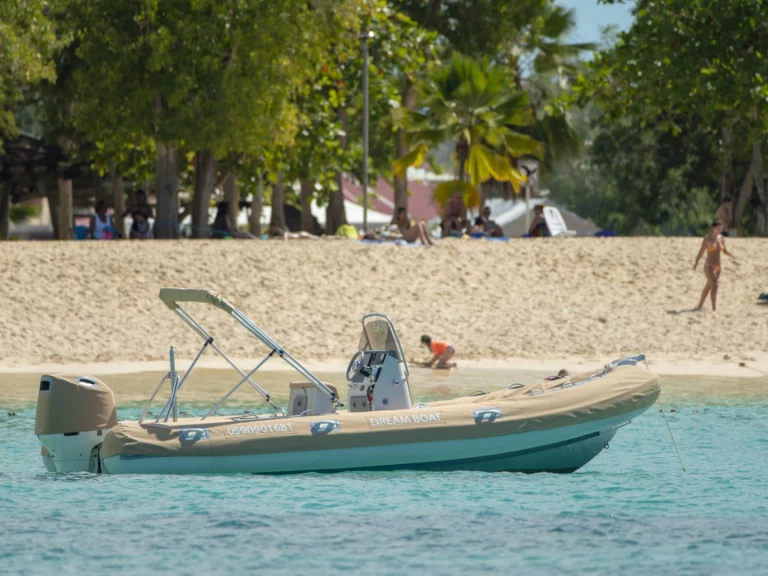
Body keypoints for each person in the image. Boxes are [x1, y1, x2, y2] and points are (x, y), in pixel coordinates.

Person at [694, 220, 735, 311]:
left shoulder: (721, 238)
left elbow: (724, 250)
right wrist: (696, 262)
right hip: (709, 265)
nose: (719, 230)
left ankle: (700, 305)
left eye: (720, 228)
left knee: (709, 286)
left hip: (718, 266)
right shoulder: (707, 238)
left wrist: (731, 255)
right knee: (715, 286)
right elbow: (701, 251)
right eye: (717, 228)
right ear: (713, 228)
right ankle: (714, 309)